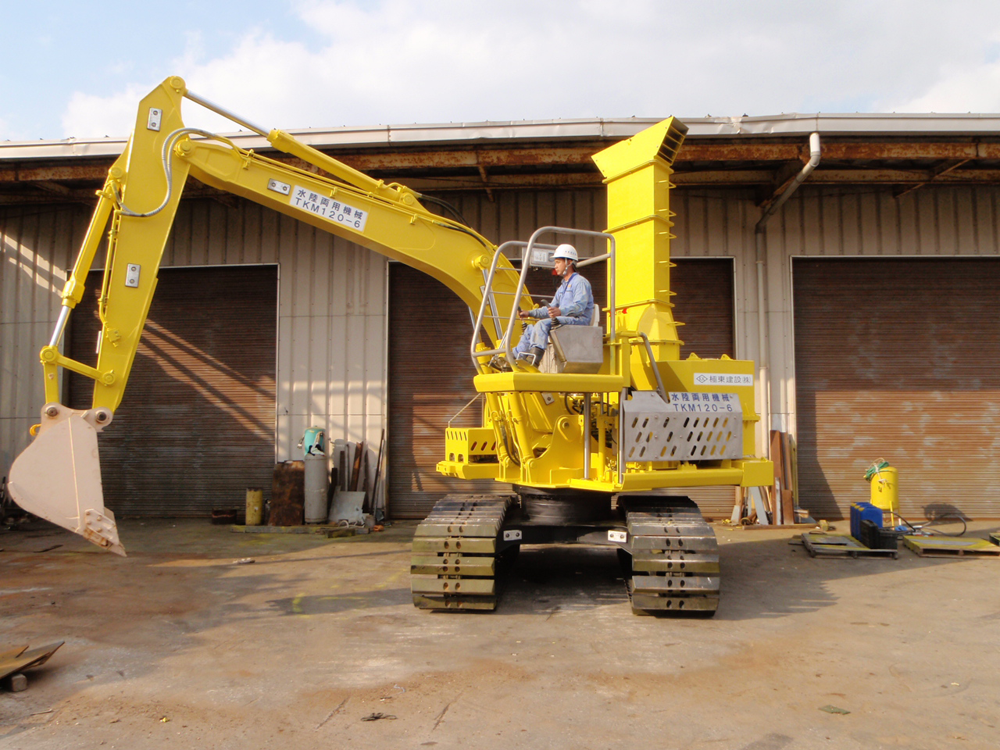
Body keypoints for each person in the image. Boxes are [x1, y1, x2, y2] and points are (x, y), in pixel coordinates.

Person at [511, 244, 594, 367]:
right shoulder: (563, 287)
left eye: (558, 262)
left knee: (542, 324)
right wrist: (529, 313)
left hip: (579, 320)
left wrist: (560, 311)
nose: (555, 266)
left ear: (569, 262)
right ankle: (514, 359)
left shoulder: (580, 282)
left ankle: (534, 360)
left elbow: (579, 307)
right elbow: (550, 309)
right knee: (529, 329)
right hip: (565, 319)